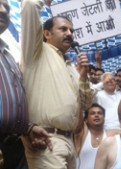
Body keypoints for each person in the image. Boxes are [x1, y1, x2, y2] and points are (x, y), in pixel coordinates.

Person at [21, 0, 94, 168]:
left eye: (71, 30)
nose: (69, 33)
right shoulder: (36, 51)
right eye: (63, 29)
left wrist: (83, 77)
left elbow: (86, 104)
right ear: (46, 34)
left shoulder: (70, 65)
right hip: (46, 140)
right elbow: (29, 6)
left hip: (69, 141)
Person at [0, 1, 52, 168]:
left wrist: (27, 128)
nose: (3, 11)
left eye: (7, 8)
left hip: (16, 144)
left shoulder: (7, 54)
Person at [74, 103, 106, 169]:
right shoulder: (81, 134)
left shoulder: (110, 135)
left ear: (104, 118)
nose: (96, 115)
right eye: (92, 113)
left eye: (99, 113)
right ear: (85, 119)